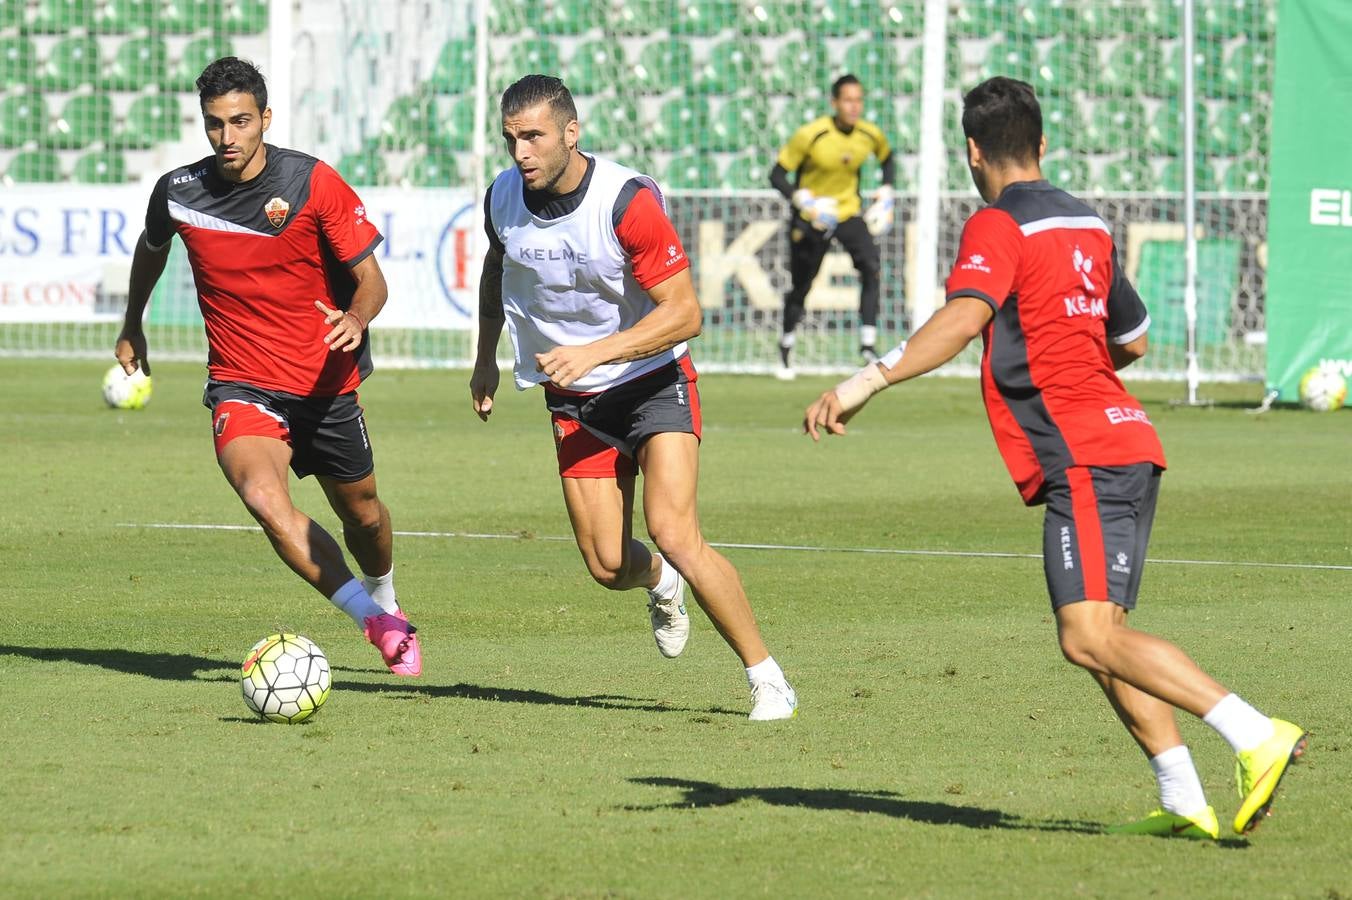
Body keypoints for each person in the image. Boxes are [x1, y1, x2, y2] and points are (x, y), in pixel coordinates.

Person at [801, 77, 1306, 838]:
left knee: (1087, 636)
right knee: (1107, 632)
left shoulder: (998, 225)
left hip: (1087, 456)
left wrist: (865, 379)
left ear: (973, 152)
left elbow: (963, 317)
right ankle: (1183, 799)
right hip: (1125, 440)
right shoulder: (1090, 224)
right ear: (1042, 143)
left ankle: (1253, 732)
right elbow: (1132, 339)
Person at [471, 75, 796, 720]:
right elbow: (493, 268)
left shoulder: (626, 202)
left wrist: (596, 351)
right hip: (573, 399)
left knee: (673, 530)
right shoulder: (501, 198)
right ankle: (658, 580)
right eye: (511, 139)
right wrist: (484, 358)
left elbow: (685, 313)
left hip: (653, 384)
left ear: (571, 132)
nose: (521, 153)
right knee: (607, 564)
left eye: (533, 136)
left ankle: (767, 678)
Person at [114, 57, 421, 676]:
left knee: (363, 514)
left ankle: (385, 592)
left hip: (325, 383)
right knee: (261, 494)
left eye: (240, 122)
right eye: (215, 125)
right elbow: (151, 250)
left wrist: (356, 320)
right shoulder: (178, 192)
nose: (227, 138)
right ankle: (374, 620)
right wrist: (132, 322)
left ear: (265, 119)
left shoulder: (311, 182)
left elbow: (372, 283)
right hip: (242, 384)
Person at [769, 73, 897, 380]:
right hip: (813, 216)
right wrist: (800, 199)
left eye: (859, 100)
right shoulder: (811, 135)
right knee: (802, 284)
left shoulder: (869, 134)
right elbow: (776, 175)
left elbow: (888, 158)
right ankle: (786, 346)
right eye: (848, 100)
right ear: (834, 102)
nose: (854, 107)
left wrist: (887, 188)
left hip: (848, 212)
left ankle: (867, 345)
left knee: (872, 267)